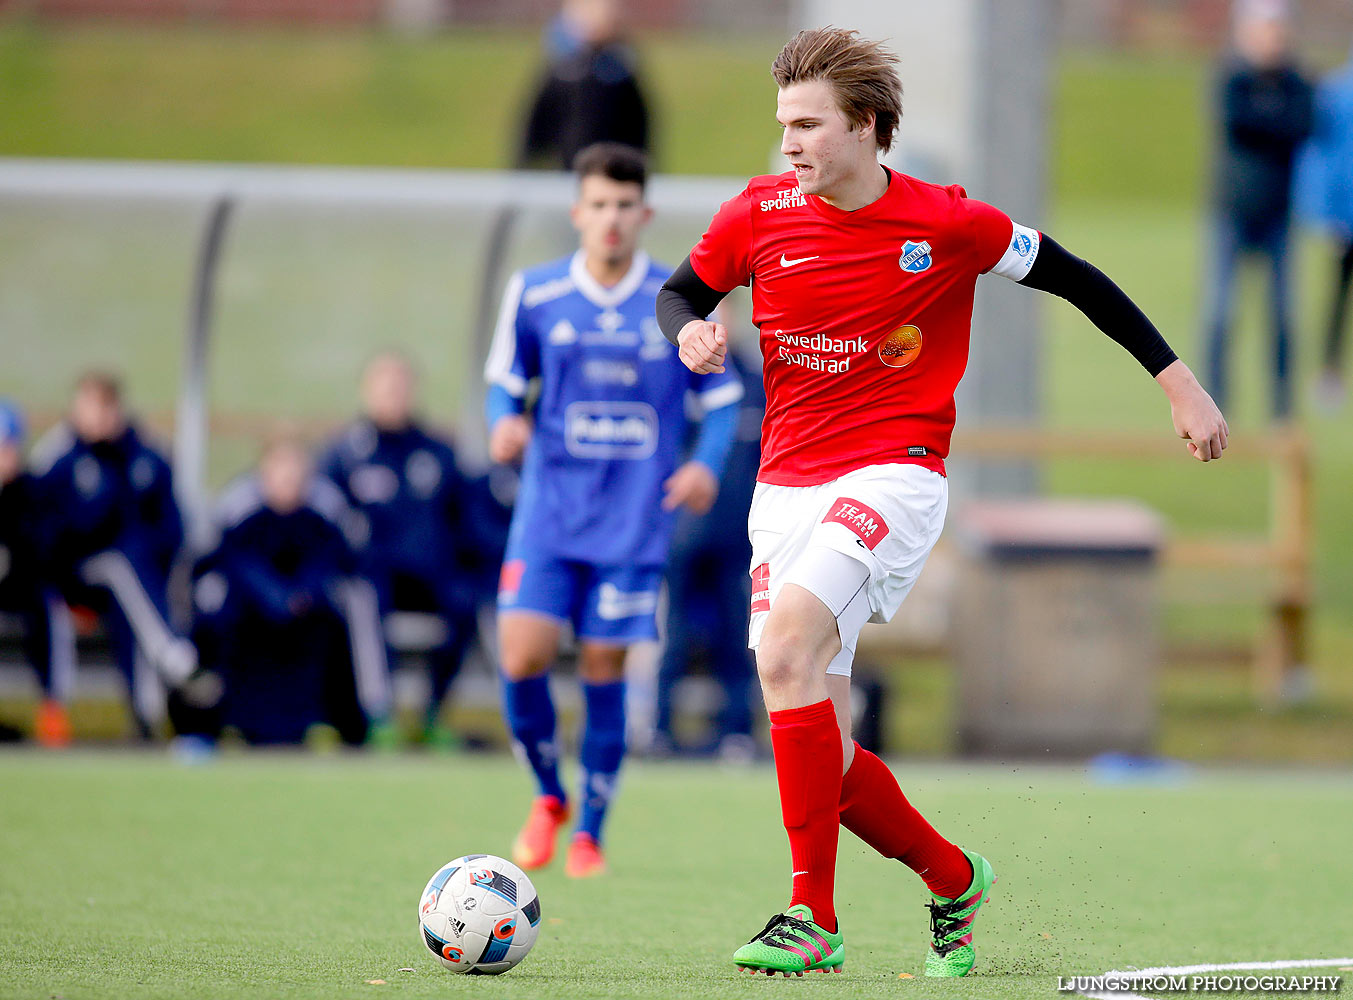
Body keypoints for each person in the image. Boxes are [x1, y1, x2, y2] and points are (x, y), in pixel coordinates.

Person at [657, 27, 1228, 978]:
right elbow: (680, 294)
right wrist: (690, 336)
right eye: (782, 125)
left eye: (808, 125)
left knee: (784, 651)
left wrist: (1178, 383)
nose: (789, 144)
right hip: (783, 489)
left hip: (892, 473)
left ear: (868, 128)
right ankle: (952, 875)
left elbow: (1078, 280)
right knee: (816, 738)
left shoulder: (947, 225)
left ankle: (812, 916)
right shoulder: (754, 216)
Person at [485, 142, 743, 878]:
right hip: (548, 515)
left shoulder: (671, 300)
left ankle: (592, 828)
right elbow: (504, 382)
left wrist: (702, 462)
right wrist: (503, 419)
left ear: (645, 213)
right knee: (521, 655)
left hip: (631, 524)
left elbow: (720, 401)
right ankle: (547, 796)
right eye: (598, 204)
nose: (611, 219)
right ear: (577, 211)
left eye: (625, 206)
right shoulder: (534, 294)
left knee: (603, 665)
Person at [320, 351, 497, 748]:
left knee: (468, 597)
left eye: (400, 387)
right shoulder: (344, 455)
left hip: (428, 573)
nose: (393, 396)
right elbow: (325, 522)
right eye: (384, 387)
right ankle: (378, 715)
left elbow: (466, 517)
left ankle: (432, 716)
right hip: (368, 574)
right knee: (363, 597)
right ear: (367, 392)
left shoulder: (436, 452)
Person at [192, 431, 391, 746]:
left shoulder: (327, 504)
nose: (289, 480)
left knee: (359, 599)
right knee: (210, 601)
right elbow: (226, 559)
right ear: (263, 472)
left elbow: (338, 557)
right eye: (281, 471)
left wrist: (301, 594)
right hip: (246, 600)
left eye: (296, 472)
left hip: (311, 601)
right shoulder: (238, 504)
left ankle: (368, 716)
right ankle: (204, 719)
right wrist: (276, 597)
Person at [30, 373, 196, 736]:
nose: (98, 418)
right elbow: (47, 534)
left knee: (131, 595)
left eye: (105, 408)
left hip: (138, 580)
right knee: (120, 566)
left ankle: (147, 718)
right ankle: (171, 650)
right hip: (72, 578)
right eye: (89, 407)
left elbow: (172, 526)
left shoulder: (145, 453)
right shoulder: (58, 457)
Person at [1203, 0, 1313, 421]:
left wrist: (1269, 121)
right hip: (1231, 211)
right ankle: (1212, 402)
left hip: (1279, 215)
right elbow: (1238, 122)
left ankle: (1282, 409)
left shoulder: (1297, 83)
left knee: (1283, 315)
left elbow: (1302, 126)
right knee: (1220, 312)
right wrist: (1273, 121)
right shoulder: (1232, 78)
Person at [652, 343, 763, 760]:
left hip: (739, 540)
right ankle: (658, 731)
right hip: (679, 539)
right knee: (674, 635)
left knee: (739, 636)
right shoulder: (671, 378)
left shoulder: (759, 380)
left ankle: (737, 734)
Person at [0, 400, 74, 746]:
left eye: (6, 447)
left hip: (22, 586)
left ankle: (52, 709)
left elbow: (45, 549)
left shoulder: (31, 491)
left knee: (47, 607)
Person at [517, 0, 651, 171]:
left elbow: (638, 120)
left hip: (614, 166)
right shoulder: (562, 70)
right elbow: (538, 117)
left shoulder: (620, 70)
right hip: (568, 164)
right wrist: (525, 160)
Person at [1294, 43, 1353, 411]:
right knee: (1338, 300)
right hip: (1346, 219)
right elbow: (1318, 154)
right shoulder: (1336, 91)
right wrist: (1323, 213)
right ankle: (1329, 374)